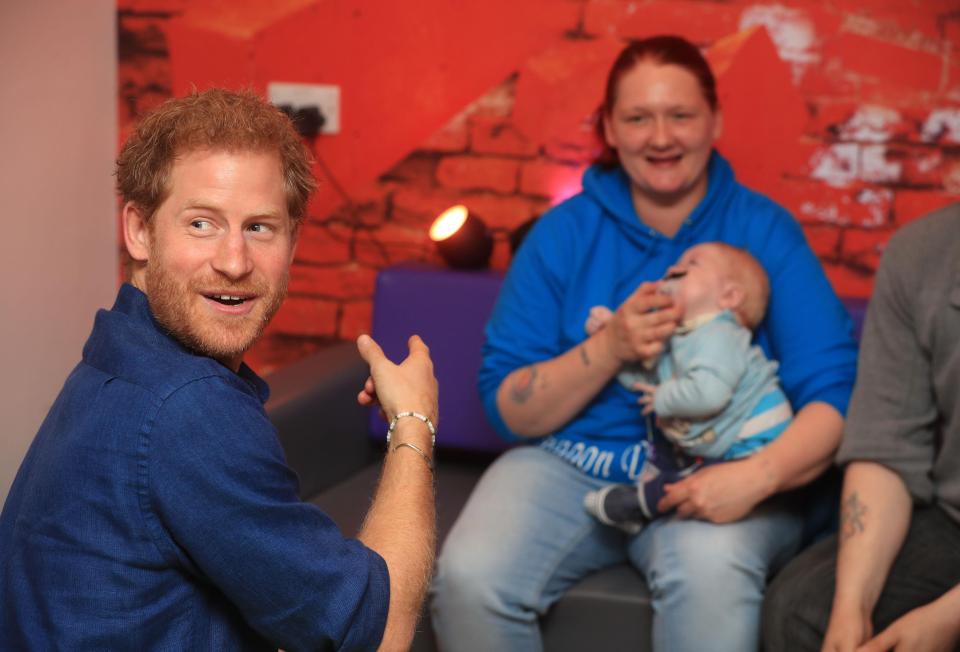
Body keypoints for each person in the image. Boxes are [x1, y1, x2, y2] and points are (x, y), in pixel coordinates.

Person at [429, 35, 858, 652]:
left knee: (711, 578)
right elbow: (505, 402)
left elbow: (835, 397)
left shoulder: (763, 231)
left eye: (680, 115)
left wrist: (755, 478)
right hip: (573, 461)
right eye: (638, 118)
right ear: (609, 127)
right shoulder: (563, 234)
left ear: (715, 120)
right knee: (470, 577)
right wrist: (610, 350)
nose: (661, 137)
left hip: (722, 466)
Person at [0, 89, 438, 651]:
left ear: (293, 241)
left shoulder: (119, 354)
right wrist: (412, 420)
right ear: (139, 230)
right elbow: (378, 637)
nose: (234, 262)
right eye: (202, 223)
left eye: (259, 228)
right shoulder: (187, 406)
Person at [762, 203, 960, 652]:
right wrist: (852, 607)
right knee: (801, 610)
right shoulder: (921, 251)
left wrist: (947, 620)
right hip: (952, 520)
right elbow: (887, 444)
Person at [582, 243, 793, 533]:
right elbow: (645, 383)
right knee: (678, 462)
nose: (673, 269)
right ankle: (646, 503)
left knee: (690, 484)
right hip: (723, 445)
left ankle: (639, 505)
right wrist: (612, 339)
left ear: (729, 297)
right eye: (674, 266)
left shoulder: (720, 333)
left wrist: (664, 399)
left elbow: (709, 394)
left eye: (691, 265)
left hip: (756, 439)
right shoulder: (682, 337)